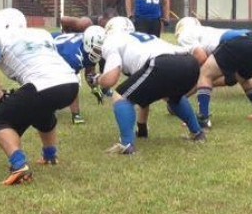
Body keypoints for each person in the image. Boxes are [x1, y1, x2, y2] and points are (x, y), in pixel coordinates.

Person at [0, 8, 80, 186]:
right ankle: (50, 155)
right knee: (42, 110)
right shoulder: (41, 34)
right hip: (71, 84)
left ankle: (19, 165)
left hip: (43, 84)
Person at [86, 22, 205, 155]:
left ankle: (127, 145)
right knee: (171, 96)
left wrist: (97, 79)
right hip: (189, 62)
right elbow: (143, 93)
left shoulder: (110, 42)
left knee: (121, 97)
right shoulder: (134, 39)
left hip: (163, 63)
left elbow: (110, 80)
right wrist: (142, 128)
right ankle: (198, 133)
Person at [177, 18, 252, 128]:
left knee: (205, 74)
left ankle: (203, 118)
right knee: (244, 78)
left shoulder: (186, 35)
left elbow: (203, 57)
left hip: (235, 45)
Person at [51, 26, 107, 124]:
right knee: (54, 85)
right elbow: (72, 85)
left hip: (60, 46)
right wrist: (76, 114)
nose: (101, 53)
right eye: (99, 50)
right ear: (88, 45)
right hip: (47, 52)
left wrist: (95, 89)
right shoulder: (74, 57)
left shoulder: (89, 46)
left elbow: (89, 71)